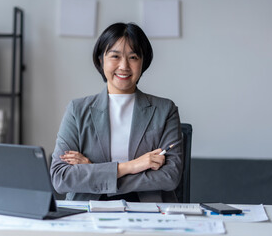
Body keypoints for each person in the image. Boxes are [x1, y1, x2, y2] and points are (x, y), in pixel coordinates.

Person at [50, 22, 183, 202]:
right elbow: (61, 177)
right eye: (115, 56)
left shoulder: (165, 110)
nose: (124, 66)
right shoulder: (77, 110)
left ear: (143, 62)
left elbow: (169, 177)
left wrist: (95, 170)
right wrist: (132, 166)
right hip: (87, 210)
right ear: (101, 60)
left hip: (150, 211)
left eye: (133, 57)